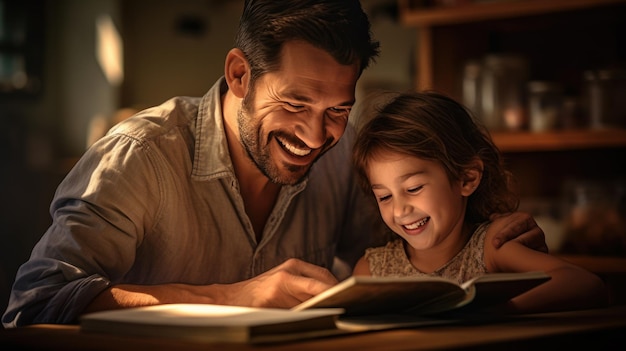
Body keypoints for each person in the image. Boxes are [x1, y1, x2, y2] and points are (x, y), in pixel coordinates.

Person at [2, 0, 547, 328]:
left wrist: (486, 237)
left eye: (337, 109)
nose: (316, 136)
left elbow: (404, 257)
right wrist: (227, 298)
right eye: (293, 104)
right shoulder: (140, 156)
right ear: (240, 75)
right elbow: (35, 303)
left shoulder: (340, 156)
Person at [351, 91, 607, 313]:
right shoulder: (372, 271)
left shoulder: (491, 247)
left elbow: (584, 284)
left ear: (466, 178)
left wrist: (499, 311)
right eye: (384, 196)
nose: (399, 209)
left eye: (414, 188)